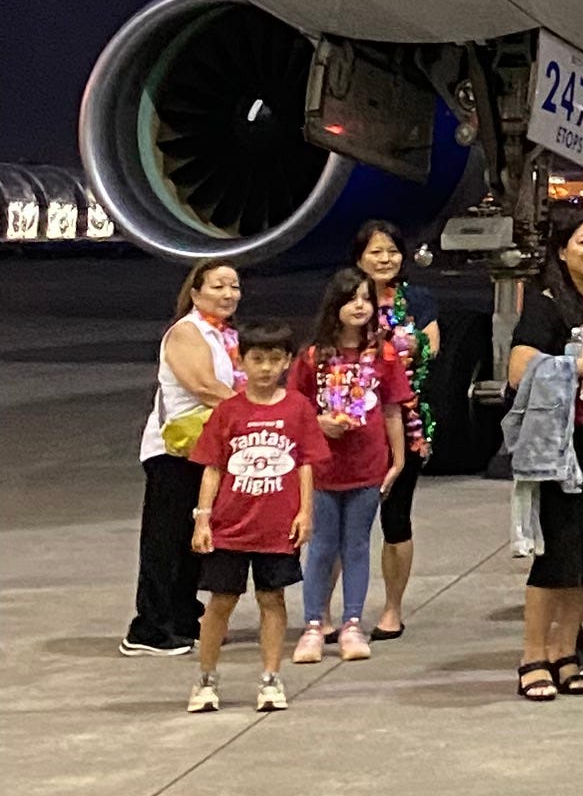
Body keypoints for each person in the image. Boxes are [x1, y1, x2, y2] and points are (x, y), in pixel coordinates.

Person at [505, 206, 583, 701]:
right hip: (559, 445)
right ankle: (532, 656)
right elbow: (518, 369)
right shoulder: (546, 303)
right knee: (553, 553)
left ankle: (563, 652)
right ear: (561, 250)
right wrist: (582, 363)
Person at [185, 321, 325, 716]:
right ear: (240, 360)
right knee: (221, 601)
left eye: (274, 359)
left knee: (272, 598)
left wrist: (305, 512)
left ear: (287, 362)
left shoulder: (298, 408)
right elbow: (212, 467)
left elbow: (305, 466)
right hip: (230, 527)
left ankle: (270, 677)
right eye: (257, 359)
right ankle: (207, 677)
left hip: (277, 526)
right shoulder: (228, 411)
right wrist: (202, 519)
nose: (265, 368)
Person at [287, 267, 409, 664]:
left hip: (366, 465)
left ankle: (353, 622)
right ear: (333, 306)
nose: (359, 306)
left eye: (365, 299)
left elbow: (392, 407)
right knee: (321, 546)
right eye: (350, 299)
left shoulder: (384, 353)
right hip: (322, 467)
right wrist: (318, 425)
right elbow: (295, 407)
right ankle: (312, 624)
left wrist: (399, 457)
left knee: (357, 545)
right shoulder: (312, 356)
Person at [126, 258, 244, 657]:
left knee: (196, 538)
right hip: (173, 452)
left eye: (234, 286)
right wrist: (260, 410)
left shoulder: (223, 335)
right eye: (218, 286)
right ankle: (149, 627)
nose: (228, 294)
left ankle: (181, 616)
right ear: (195, 292)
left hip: (207, 452)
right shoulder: (187, 331)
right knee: (166, 539)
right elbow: (203, 386)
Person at [346, 221, 439, 642]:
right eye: (376, 253)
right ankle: (333, 614)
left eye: (392, 252)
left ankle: (391, 609)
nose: (385, 260)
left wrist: (399, 343)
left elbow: (431, 345)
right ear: (359, 258)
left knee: (396, 518)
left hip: (406, 419)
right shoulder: (348, 299)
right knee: (342, 521)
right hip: (353, 421)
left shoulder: (417, 298)